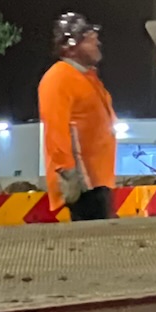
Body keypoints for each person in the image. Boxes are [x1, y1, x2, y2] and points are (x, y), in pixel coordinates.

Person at [38, 12, 116, 221]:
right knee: (93, 248)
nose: (97, 42)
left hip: (98, 182)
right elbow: (56, 130)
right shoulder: (59, 77)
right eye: (90, 39)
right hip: (83, 186)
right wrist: (68, 176)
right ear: (71, 46)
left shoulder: (88, 78)